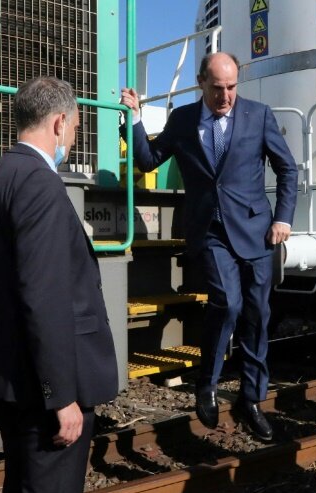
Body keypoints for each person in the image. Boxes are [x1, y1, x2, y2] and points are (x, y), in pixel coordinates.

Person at [119, 52, 298, 441]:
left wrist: (283, 218)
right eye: (217, 88)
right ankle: (207, 383)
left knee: (256, 314)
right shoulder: (183, 119)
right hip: (211, 232)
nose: (226, 96)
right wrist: (133, 119)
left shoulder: (259, 115)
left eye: (232, 87)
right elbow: (149, 160)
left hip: (257, 232)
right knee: (227, 303)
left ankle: (252, 399)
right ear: (201, 82)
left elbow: (288, 168)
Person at [0, 76, 119, 493]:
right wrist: (63, 397)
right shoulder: (41, 185)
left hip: (12, 380)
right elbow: (44, 297)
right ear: (58, 123)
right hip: (42, 393)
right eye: (74, 129)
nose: (72, 138)